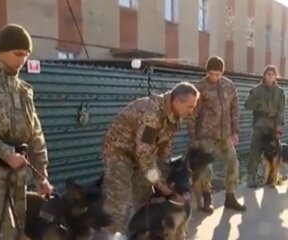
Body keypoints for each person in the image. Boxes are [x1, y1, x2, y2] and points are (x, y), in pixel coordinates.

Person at [0, 24, 53, 240]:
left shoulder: (23, 89)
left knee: (18, 234)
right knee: (1, 234)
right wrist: (5, 153)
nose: (22, 60)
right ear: (2, 50)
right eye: (18, 54)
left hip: (18, 177)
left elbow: (35, 133)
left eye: (26, 55)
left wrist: (41, 175)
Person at [100, 82, 199, 239]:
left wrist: (164, 172)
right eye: (190, 106)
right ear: (177, 101)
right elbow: (145, 156)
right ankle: (113, 234)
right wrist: (161, 184)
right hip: (119, 151)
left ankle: (142, 233)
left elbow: (164, 147)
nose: (192, 111)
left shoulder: (174, 115)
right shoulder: (152, 114)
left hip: (141, 152)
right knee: (120, 201)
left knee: (146, 197)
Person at [187, 56, 246, 214]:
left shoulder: (229, 85)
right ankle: (207, 197)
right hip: (205, 135)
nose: (215, 77)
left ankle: (230, 197)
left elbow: (235, 109)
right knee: (206, 169)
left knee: (233, 164)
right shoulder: (199, 87)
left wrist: (235, 132)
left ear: (222, 72)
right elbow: (192, 115)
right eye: (212, 73)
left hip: (225, 135)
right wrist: (193, 138)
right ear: (207, 71)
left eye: (218, 74)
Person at [245, 65, 286, 188]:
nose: (270, 76)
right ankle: (251, 177)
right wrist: (259, 105)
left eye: (273, 74)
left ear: (275, 76)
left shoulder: (280, 92)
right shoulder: (257, 89)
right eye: (268, 74)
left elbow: (281, 111)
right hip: (259, 125)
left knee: (274, 154)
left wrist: (279, 127)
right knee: (255, 152)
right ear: (264, 75)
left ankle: (271, 179)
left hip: (272, 127)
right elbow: (247, 104)